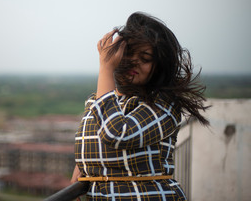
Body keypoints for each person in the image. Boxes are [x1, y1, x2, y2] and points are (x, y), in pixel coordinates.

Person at [70, 12, 210, 201]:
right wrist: (82, 169)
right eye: (128, 54)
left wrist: (105, 68)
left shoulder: (163, 105)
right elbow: (96, 138)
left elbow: (116, 133)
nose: (134, 61)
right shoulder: (99, 101)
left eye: (145, 58)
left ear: (158, 65)